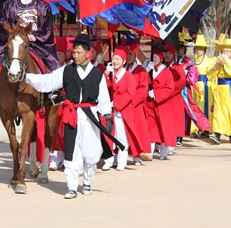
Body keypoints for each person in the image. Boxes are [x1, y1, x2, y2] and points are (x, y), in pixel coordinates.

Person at [24, 33, 112, 199]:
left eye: (78, 52)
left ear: (88, 53)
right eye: (74, 52)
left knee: (90, 152)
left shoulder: (97, 74)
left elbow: (104, 98)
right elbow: (47, 81)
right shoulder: (66, 71)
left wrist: (107, 117)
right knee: (71, 151)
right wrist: (26, 77)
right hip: (71, 116)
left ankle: (87, 182)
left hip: (90, 117)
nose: (75, 55)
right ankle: (71, 187)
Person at [102, 47, 143, 171]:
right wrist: (106, 75)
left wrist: (116, 103)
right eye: (114, 59)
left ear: (124, 61)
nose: (115, 61)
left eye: (118, 59)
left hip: (122, 111)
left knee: (121, 136)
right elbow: (106, 88)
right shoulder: (111, 74)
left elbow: (130, 93)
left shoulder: (128, 76)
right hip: (110, 110)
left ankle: (121, 160)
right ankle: (109, 160)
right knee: (109, 136)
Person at [209, 37, 231, 144]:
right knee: (218, 111)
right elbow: (210, 73)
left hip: (230, 90)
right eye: (224, 51)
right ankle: (217, 134)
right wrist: (216, 66)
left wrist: (226, 61)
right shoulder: (219, 61)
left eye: (228, 51)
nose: (225, 53)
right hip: (220, 89)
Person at [144, 46, 176, 160]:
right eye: (154, 57)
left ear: (161, 58)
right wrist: (147, 72)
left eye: (157, 57)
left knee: (164, 127)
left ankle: (164, 152)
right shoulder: (150, 71)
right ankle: (149, 151)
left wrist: (157, 93)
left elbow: (170, 88)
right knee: (151, 127)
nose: (155, 59)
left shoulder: (167, 72)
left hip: (163, 104)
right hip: (150, 104)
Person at [125, 43, 152, 162]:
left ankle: (138, 155)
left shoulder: (140, 70)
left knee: (138, 130)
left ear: (135, 55)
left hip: (136, 106)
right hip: (124, 105)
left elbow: (143, 89)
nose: (128, 57)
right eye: (127, 54)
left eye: (130, 54)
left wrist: (132, 101)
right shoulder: (122, 70)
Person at [190, 35, 215, 137]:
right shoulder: (193, 60)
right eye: (197, 48)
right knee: (195, 107)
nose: (198, 51)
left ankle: (206, 128)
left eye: (201, 48)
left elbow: (212, 74)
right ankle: (195, 128)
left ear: (204, 50)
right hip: (195, 86)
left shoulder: (210, 61)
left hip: (205, 87)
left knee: (205, 107)